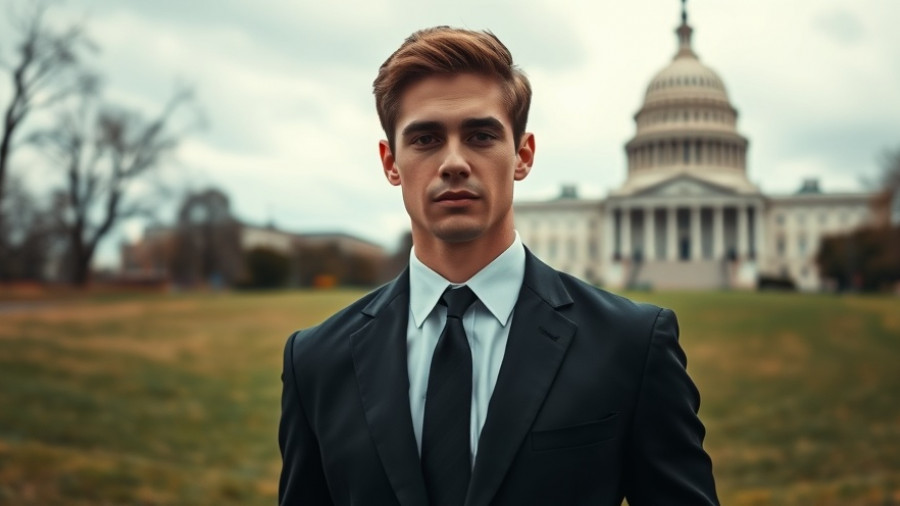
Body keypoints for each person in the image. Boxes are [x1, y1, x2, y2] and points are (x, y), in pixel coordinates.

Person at [279, 26, 719, 506]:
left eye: (481, 135)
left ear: (522, 155)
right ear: (390, 163)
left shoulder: (631, 345)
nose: (453, 163)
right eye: (425, 138)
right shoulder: (317, 361)